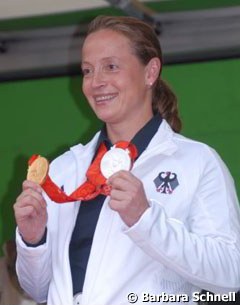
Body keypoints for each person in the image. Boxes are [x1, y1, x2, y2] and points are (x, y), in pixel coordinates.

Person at [13, 15, 240, 305]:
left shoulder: (196, 162)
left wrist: (146, 219)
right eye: (87, 70)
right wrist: (34, 240)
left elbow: (230, 274)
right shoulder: (63, 170)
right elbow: (38, 290)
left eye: (111, 67)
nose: (96, 83)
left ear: (150, 72)